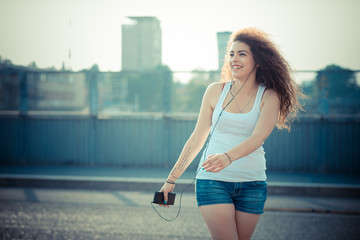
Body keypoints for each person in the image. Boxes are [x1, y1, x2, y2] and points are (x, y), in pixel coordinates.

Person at [159, 27, 304, 240]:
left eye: (242, 54)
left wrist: (228, 157)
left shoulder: (269, 96)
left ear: (259, 60)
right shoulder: (215, 91)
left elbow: (259, 137)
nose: (234, 59)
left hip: (252, 183)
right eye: (231, 54)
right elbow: (198, 137)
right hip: (212, 181)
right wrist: (172, 179)